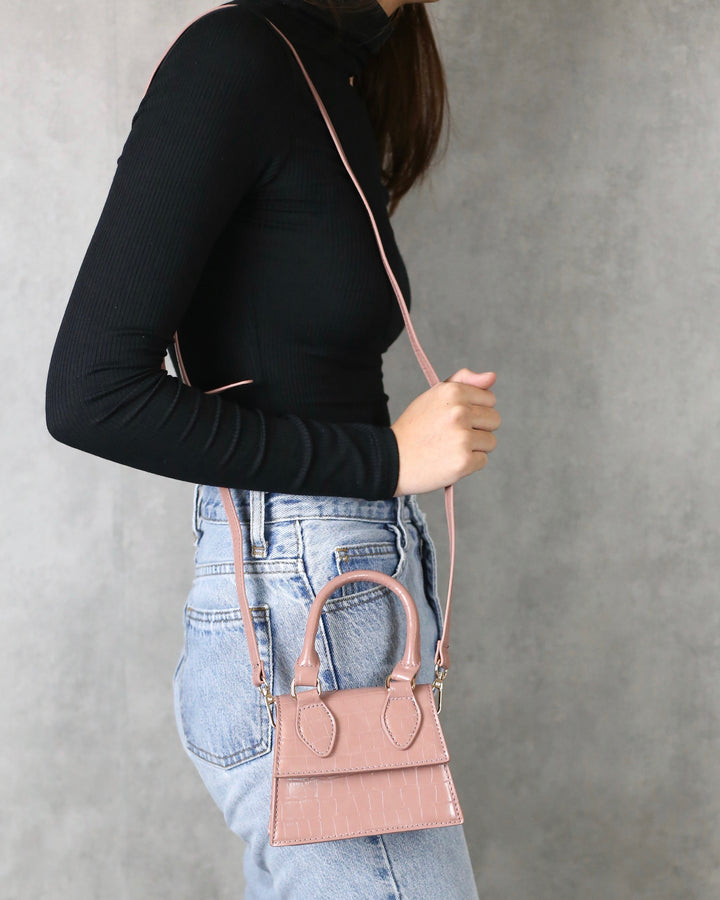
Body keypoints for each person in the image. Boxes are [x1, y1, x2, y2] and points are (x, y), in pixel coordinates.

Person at [45, 0, 500, 896]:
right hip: (305, 613)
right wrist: (386, 461)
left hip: (341, 597)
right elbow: (91, 393)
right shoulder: (239, 57)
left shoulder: (338, 75)